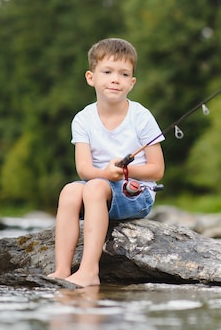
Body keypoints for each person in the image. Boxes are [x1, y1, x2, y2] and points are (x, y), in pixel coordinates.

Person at [47, 38, 165, 287]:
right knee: (70, 190)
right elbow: (84, 169)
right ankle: (61, 269)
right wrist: (105, 173)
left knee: (94, 187)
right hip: (99, 186)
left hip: (136, 194)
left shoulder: (141, 117)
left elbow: (158, 169)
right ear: (91, 77)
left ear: (131, 83)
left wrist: (124, 171)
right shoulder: (83, 119)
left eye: (124, 74)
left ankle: (90, 271)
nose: (115, 79)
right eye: (108, 72)